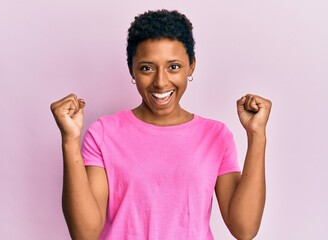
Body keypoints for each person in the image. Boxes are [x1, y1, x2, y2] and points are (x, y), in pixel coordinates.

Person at [50, 9, 272, 240]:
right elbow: (84, 234)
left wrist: (257, 135)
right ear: (132, 69)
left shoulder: (216, 135)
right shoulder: (104, 133)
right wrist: (69, 140)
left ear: (191, 66)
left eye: (173, 66)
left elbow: (244, 229)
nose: (160, 81)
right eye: (147, 67)